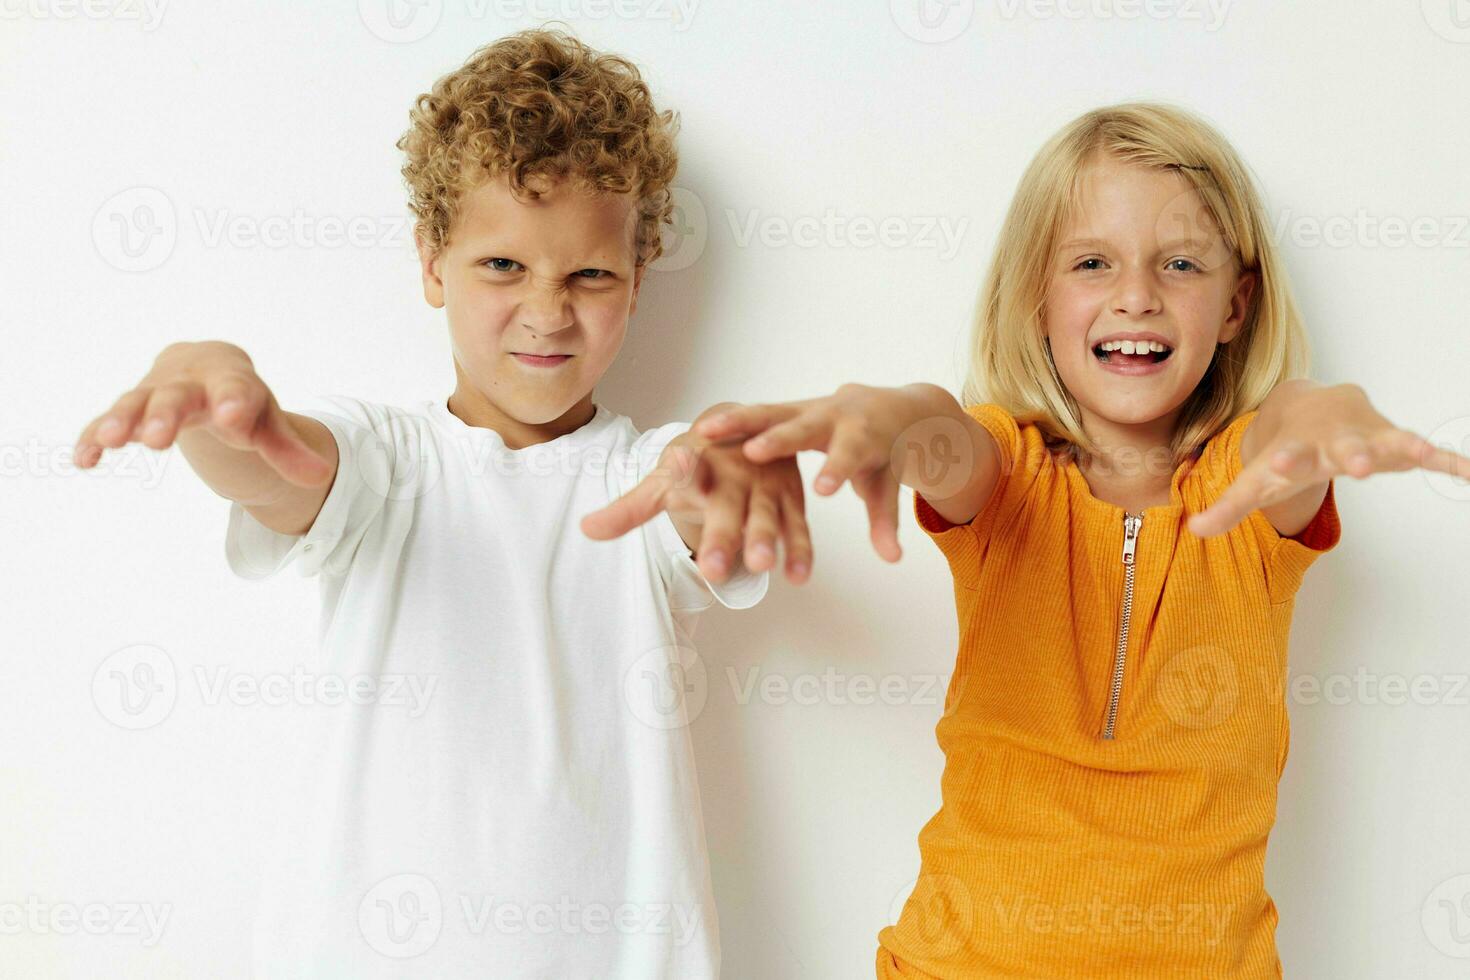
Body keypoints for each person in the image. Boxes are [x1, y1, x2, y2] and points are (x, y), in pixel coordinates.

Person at [656, 102, 1470, 977]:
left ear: (1236, 307)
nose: (1136, 295)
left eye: (1180, 263)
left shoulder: (1246, 498)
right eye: (1092, 263)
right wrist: (879, 416)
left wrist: (1323, 411)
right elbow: (939, 433)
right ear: (1037, 299)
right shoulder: (1009, 476)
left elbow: (1289, 439)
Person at [72, 28, 812, 978]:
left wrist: (736, 475)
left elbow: (703, 492)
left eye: (589, 274)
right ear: (432, 262)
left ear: (637, 278)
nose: (548, 312)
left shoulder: (644, 473)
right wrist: (211, 395)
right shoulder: (386, 460)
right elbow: (278, 466)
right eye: (503, 266)